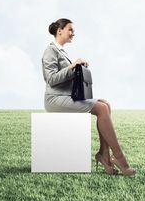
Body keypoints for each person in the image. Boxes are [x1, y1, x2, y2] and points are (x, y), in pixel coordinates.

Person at [42, 18, 136, 176]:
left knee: (105, 103)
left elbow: (64, 76)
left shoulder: (61, 51)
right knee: (101, 108)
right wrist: (72, 66)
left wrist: (78, 68)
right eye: (70, 30)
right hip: (54, 99)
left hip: (64, 96)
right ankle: (119, 158)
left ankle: (104, 155)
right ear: (59, 31)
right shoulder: (51, 50)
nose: (73, 33)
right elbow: (50, 79)